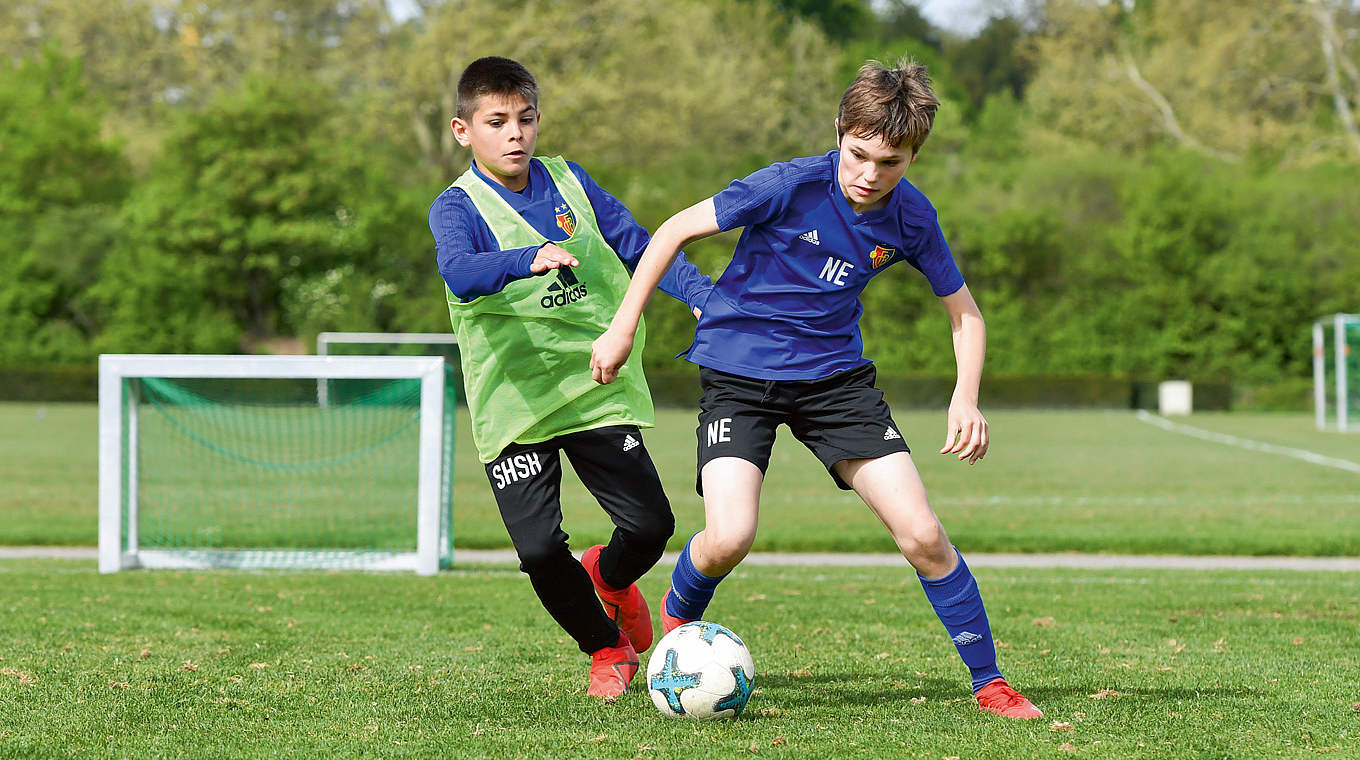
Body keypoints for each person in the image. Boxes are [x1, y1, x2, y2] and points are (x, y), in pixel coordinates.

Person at [590, 59, 1042, 718]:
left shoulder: (912, 218)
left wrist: (964, 396)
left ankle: (989, 682)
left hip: (835, 383)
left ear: (914, 155)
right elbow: (673, 231)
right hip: (739, 372)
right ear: (839, 132)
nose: (868, 174)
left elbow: (964, 312)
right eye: (857, 155)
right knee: (730, 537)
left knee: (922, 533)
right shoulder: (787, 185)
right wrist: (623, 327)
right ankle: (679, 613)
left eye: (890, 162)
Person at [429, 56, 711, 698]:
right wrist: (526, 259)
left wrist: (697, 293)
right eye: (496, 121)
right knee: (536, 551)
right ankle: (606, 648)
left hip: (595, 383)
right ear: (463, 129)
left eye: (525, 119)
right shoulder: (455, 208)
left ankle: (609, 580)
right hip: (516, 402)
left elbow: (638, 244)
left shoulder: (569, 181)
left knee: (649, 528)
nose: (515, 134)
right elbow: (460, 273)